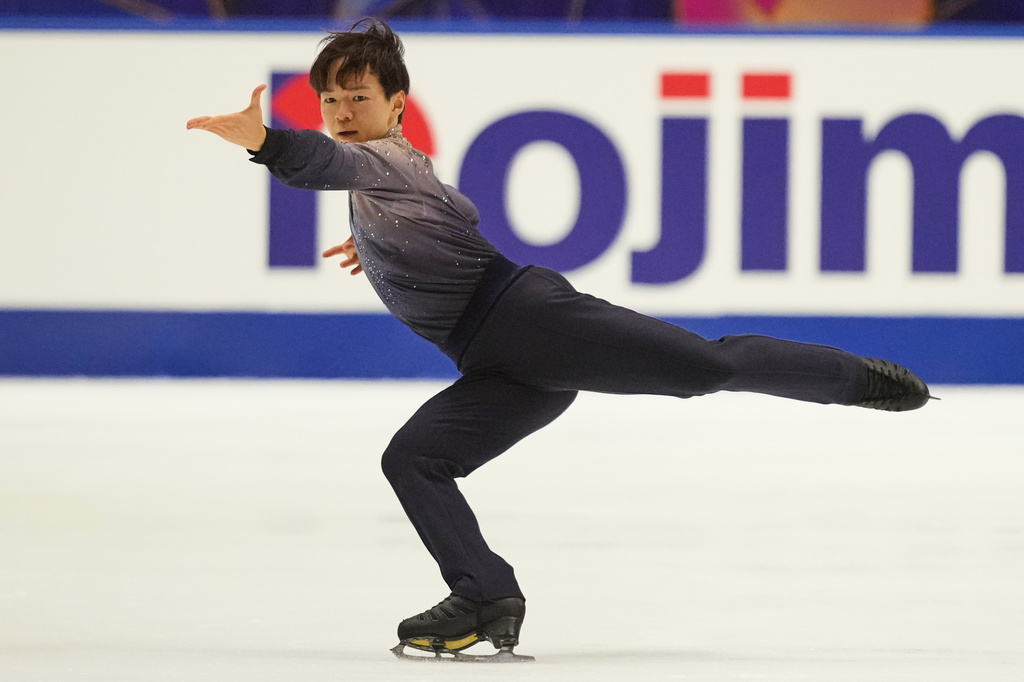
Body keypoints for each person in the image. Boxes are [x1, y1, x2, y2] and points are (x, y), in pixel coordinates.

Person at [186, 18, 933, 661]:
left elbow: (324, 162)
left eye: (359, 98)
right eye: (331, 100)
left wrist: (265, 142)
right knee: (414, 459)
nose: (344, 113)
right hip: (498, 362)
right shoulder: (394, 181)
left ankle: (855, 380)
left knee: (706, 367)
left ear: (397, 105)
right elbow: (459, 210)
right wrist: (380, 247)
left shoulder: (384, 161)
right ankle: (485, 596)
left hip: (531, 321)